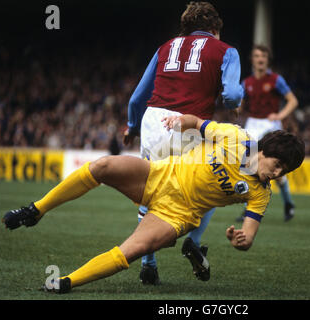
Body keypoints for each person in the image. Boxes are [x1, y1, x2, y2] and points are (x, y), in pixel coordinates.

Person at [2, 114, 305, 294]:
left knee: (130, 251)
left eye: (284, 172)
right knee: (102, 166)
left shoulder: (261, 192)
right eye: (278, 165)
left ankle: (65, 283)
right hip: (158, 175)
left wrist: (240, 239)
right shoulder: (234, 137)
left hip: (177, 215)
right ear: (265, 150)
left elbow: (248, 237)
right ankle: (36, 210)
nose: (278, 174)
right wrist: (179, 121)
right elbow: (197, 122)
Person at [122, 1, 243, 284]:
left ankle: (148, 264)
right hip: (190, 123)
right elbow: (233, 94)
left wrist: (131, 126)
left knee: (150, 192)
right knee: (215, 182)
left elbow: (137, 97)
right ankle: (194, 242)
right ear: (214, 29)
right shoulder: (227, 51)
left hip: (153, 120)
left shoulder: (165, 47)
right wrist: (232, 103)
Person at [237, 44, 299, 222]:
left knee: (275, 169)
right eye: (257, 56)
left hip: (270, 124)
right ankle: (248, 207)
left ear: (267, 60)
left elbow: (292, 101)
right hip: (253, 123)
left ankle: (288, 202)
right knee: (248, 166)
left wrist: (280, 115)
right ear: (252, 60)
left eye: (263, 56)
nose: (260, 59)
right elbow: (239, 107)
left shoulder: (275, 80)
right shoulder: (246, 83)